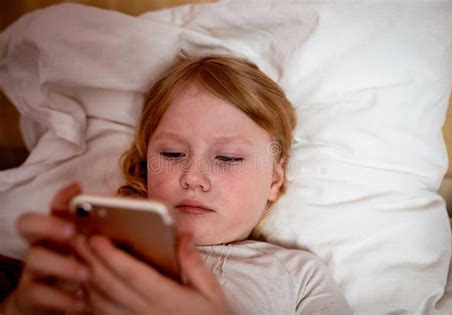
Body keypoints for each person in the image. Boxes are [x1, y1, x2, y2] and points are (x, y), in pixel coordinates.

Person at [0, 54, 353, 314]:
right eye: (171, 154)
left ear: (275, 180)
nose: (193, 177)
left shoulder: (298, 274)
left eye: (228, 158)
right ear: (144, 166)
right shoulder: (98, 248)